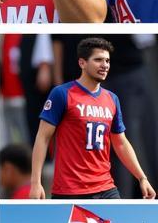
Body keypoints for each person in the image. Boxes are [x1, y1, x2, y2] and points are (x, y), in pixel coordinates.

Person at [31, 36, 155, 199]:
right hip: (70, 190)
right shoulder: (62, 93)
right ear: (82, 63)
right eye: (98, 60)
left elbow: (121, 142)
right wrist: (36, 183)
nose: (105, 65)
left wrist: (142, 178)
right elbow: (43, 137)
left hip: (106, 188)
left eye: (107, 61)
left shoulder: (112, 99)